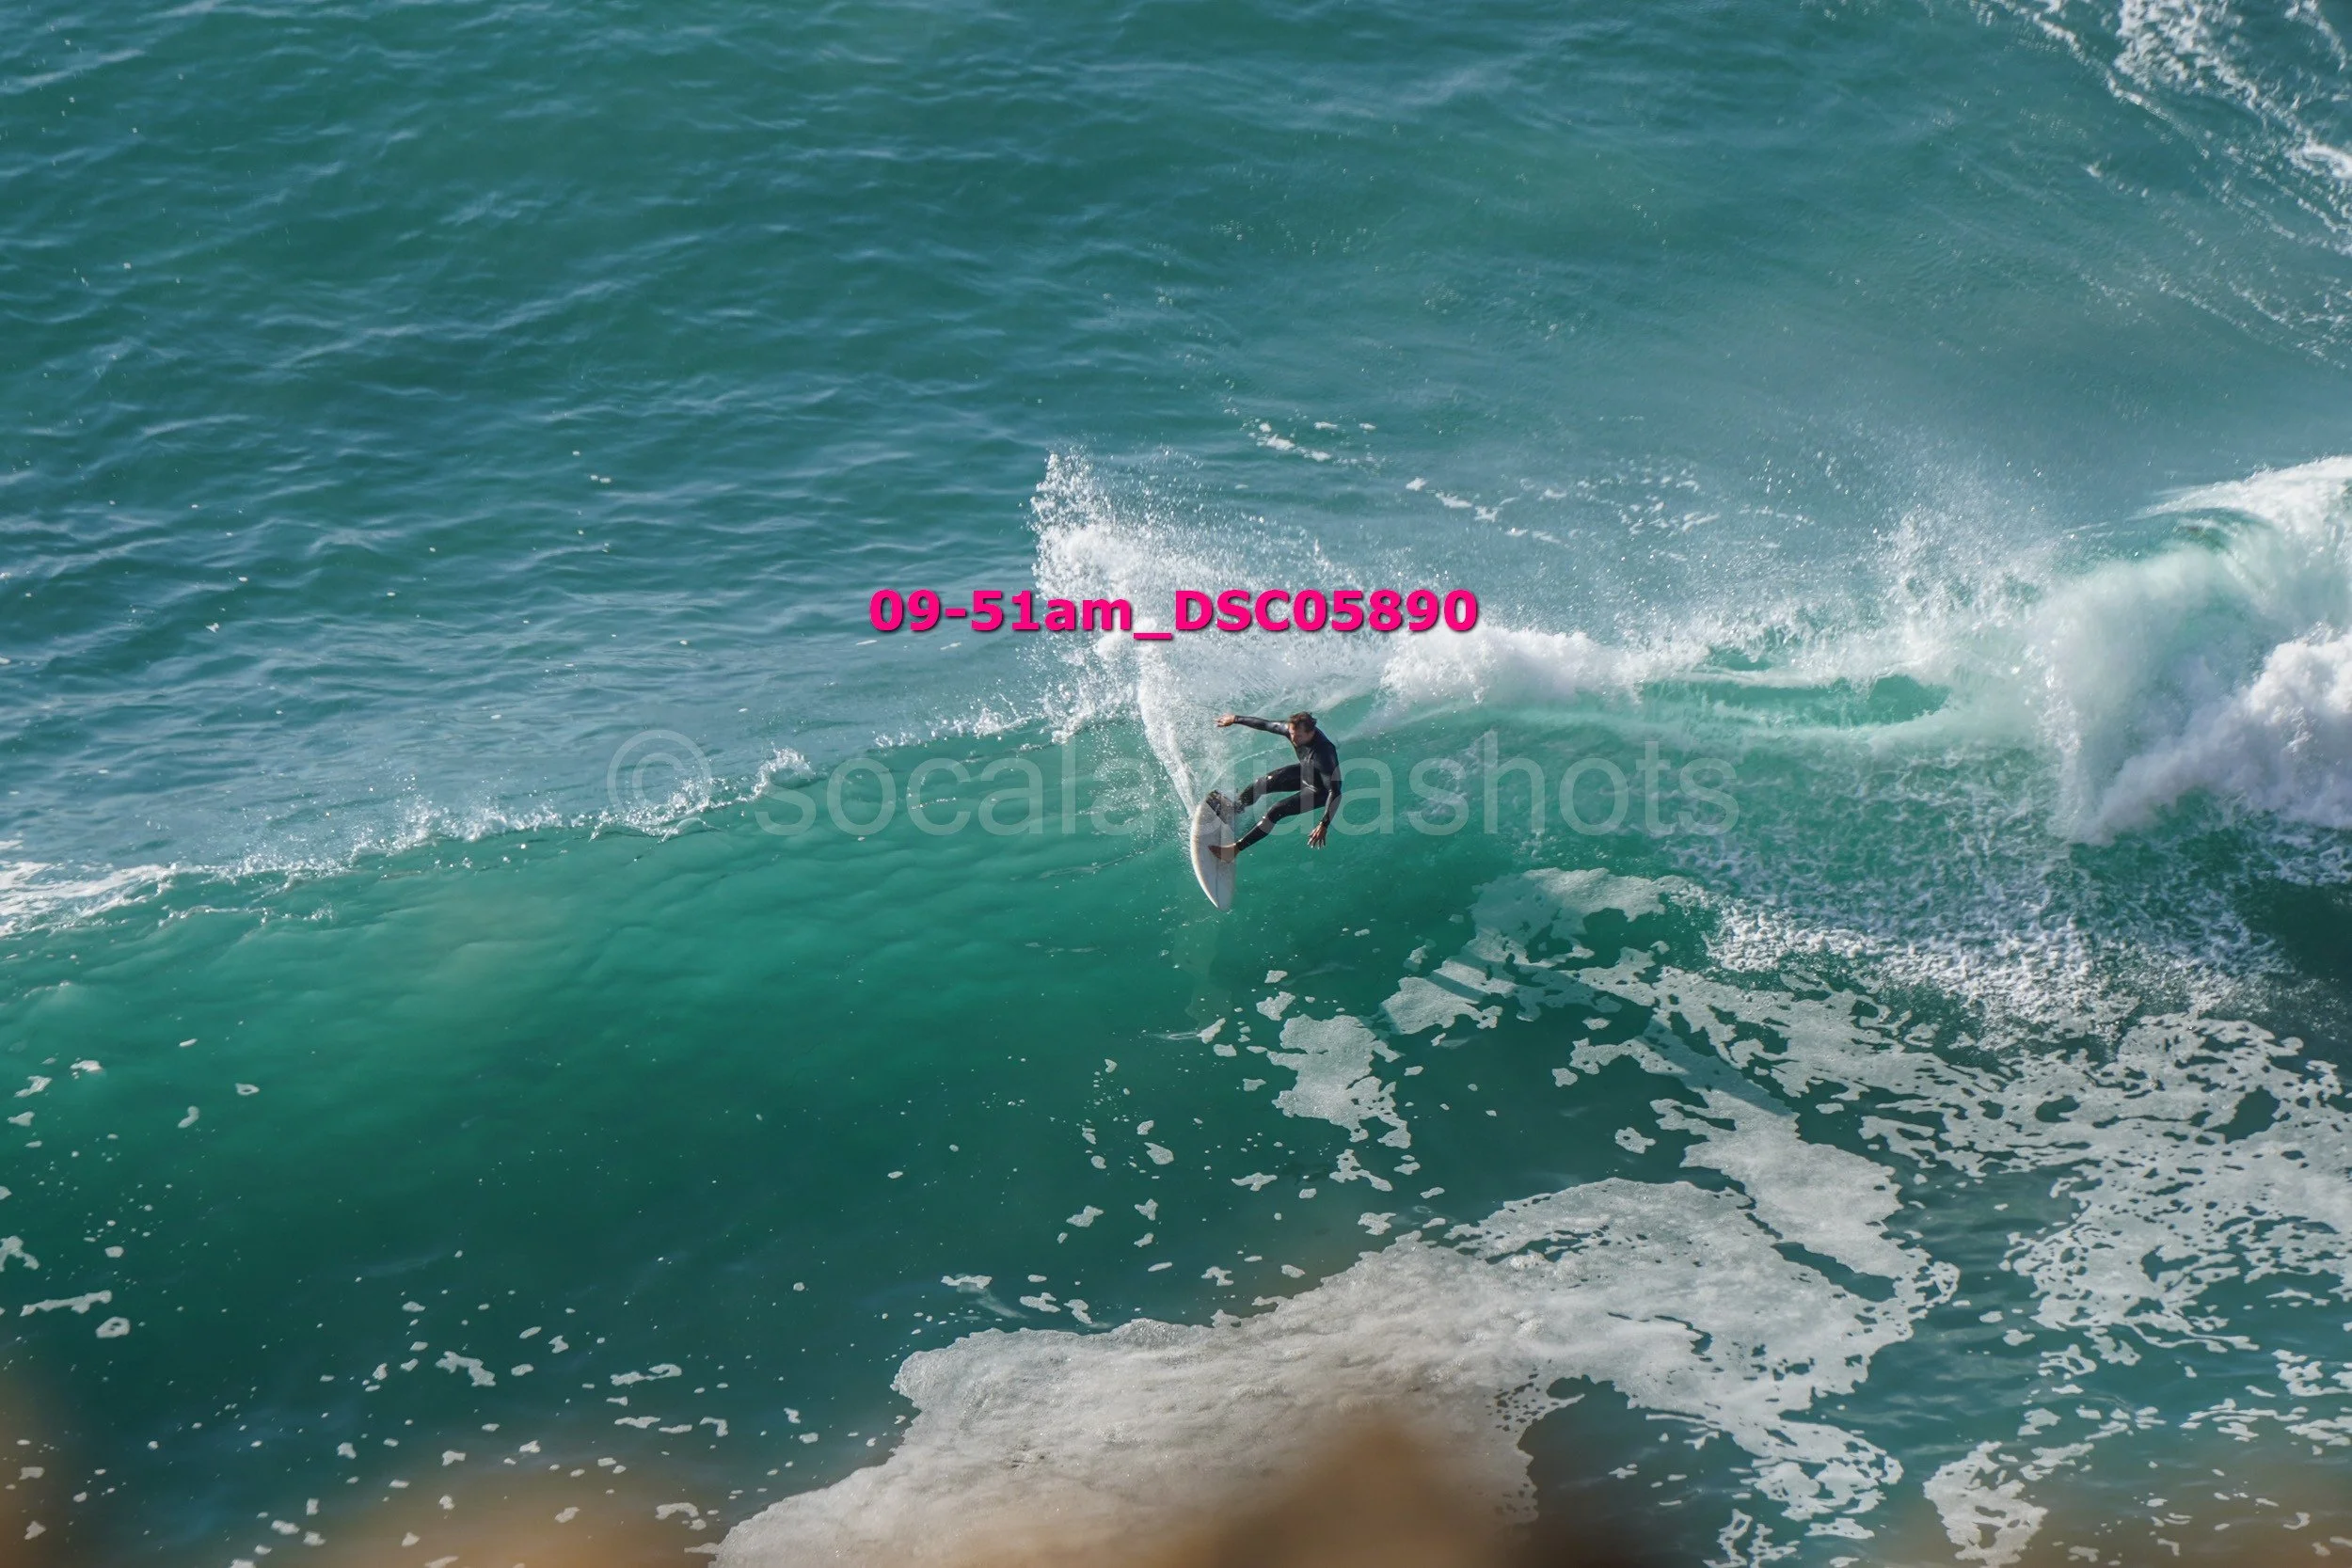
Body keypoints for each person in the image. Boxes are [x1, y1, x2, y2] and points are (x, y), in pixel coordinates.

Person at [1213, 710, 1342, 858]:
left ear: (1311, 733)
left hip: (1320, 792)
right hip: (1306, 773)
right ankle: (1235, 809)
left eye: (1298, 736)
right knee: (1261, 783)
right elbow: (1265, 724)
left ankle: (1234, 850)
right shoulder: (1293, 731)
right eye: (1291, 733)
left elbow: (1335, 791)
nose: (1293, 738)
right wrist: (1235, 719)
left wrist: (1324, 824)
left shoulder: (1324, 752)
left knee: (1276, 810)